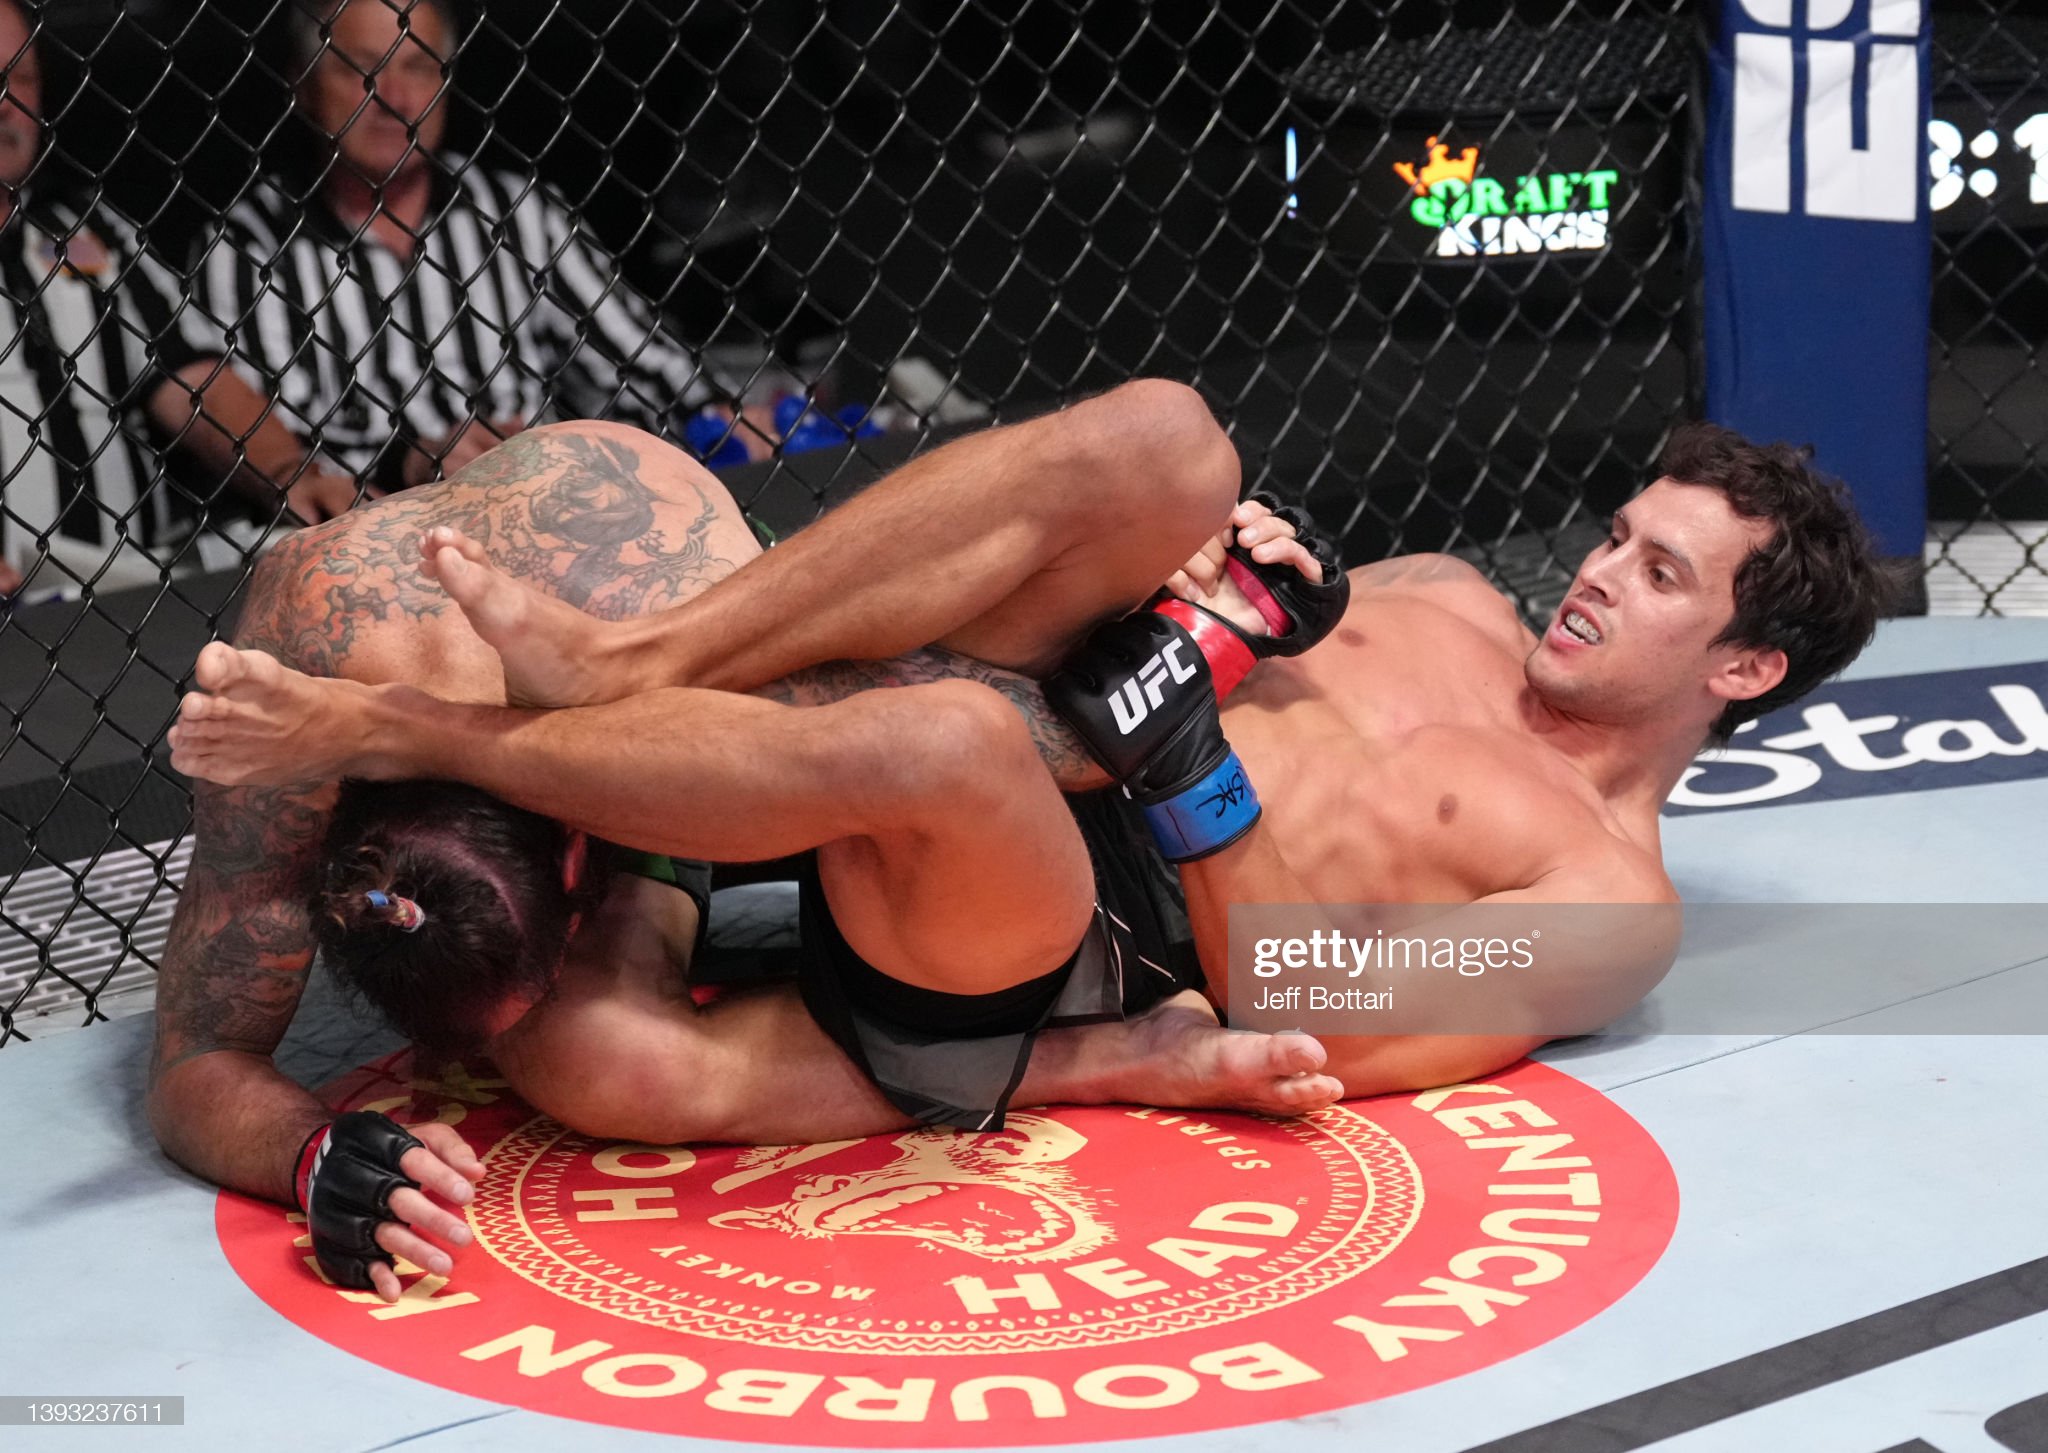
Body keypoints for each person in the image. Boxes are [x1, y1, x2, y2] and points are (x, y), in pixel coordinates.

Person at [173, 402, 1896, 1099]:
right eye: (1617, 534)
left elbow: (1328, 1009)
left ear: (1742, 665)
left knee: (937, 745)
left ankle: (451, 730)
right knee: (1172, 443)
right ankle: (636, 661)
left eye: (1657, 577)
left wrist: (1189, 768)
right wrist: (1229, 577)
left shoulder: (1610, 902)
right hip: (1075, 702)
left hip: (1053, 907)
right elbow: (1190, 615)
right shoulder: (1448, 590)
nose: (1594, 572)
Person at [147, 380, 1338, 1301]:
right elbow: (197, 1059)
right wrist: (1201, 654)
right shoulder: (293, 704)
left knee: (1168, 451)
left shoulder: (1425, 942)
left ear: (579, 861)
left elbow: (996, 752)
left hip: (1171, 860)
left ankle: (629, 678)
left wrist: (1196, 659)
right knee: (605, 1056)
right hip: (1153, 870)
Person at [177, 0, 750, 498]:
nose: (394, 97)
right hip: (371, 530)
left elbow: (638, 359)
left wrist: (718, 414)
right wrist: (412, 462)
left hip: (539, 499)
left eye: (418, 66)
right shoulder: (249, 246)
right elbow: (267, 444)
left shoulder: (514, 211)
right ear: (303, 85)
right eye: (361, 70)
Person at [0, 0, 365, 601]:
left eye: (22, 77)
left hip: (128, 590)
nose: (7, 101)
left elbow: (193, 378)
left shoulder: (87, 230)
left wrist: (290, 472)